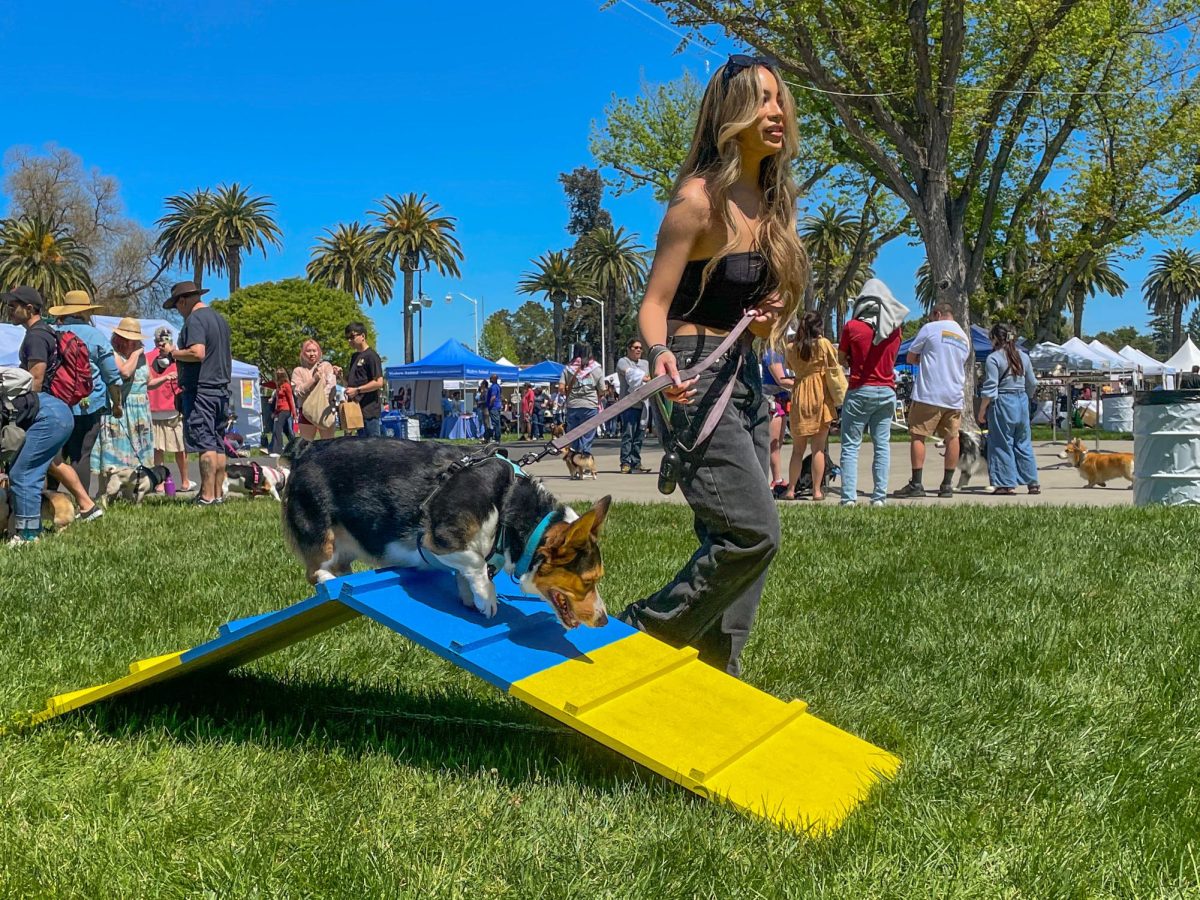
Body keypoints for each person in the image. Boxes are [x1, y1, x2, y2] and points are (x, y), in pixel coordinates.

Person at [617, 54, 803, 677]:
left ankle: (719, 669)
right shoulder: (699, 200)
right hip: (694, 373)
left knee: (737, 541)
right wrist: (660, 357)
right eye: (763, 101)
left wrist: (768, 307)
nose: (777, 113)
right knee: (752, 533)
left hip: (745, 372)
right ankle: (642, 632)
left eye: (780, 100)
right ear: (733, 116)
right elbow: (653, 305)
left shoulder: (771, 200)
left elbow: (756, 315)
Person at [2, 287, 75, 545]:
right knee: (25, 471)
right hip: (51, 410)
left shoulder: (36, 336)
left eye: (14, 306)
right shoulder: (45, 332)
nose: (9, 310)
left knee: (23, 473)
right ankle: (27, 529)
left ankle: (28, 534)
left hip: (47, 412)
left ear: (30, 309)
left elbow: (35, 379)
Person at [45, 289, 123, 521]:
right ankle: (83, 505)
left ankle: (51, 505)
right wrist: (117, 404)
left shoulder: (51, 333)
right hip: (89, 404)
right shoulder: (95, 336)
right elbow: (113, 376)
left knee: (54, 457)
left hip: (55, 404)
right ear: (85, 312)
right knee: (81, 455)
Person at [161, 280, 232, 506]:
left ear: (183, 301)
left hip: (201, 389)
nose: (178, 312)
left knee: (205, 444)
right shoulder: (219, 320)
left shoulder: (195, 319)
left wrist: (173, 353)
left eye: (177, 307)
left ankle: (207, 496)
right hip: (221, 389)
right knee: (218, 442)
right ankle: (218, 493)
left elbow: (197, 352)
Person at [838, 280, 906, 507]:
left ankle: (848, 498)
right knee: (882, 445)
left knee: (850, 446)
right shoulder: (895, 330)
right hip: (886, 390)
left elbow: (841, 358)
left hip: (860, 389)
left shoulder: (852, 327)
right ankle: (879, 498)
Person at [895, 303, 969, 499]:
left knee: (918, 435)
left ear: (937, 314)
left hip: (929, 392)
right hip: (953, 395)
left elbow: (911, 357)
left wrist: (924, 359)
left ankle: (917, 483)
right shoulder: (963, 336)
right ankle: (947, 484)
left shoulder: (930, 328)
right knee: (952, 437)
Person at [979, 324, 1040, 496]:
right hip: (1021, 400)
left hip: (1003, 401)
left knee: (1001, 443)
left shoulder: (994, 358)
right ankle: (1032, 481)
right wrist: (1026, 397)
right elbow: (1032, 383)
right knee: (1023, 442)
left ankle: (1005, 483)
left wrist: (982, 410)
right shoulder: (1023, 357)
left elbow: (990, 387)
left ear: (995, 338)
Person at [781, 312, 837, 501]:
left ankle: (791, 489)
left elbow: (790, 365)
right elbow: (834, 362)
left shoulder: (791, 348)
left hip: (799, 394)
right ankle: (816, 490)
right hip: (819, 394)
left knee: (797, 449)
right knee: (818, 449)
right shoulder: (823, 344)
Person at [90, 317, 154, 477]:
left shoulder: (142, 358)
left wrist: (167, 379)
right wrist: (137, 353)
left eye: (134, 341)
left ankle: (134, 490)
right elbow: (125, 372)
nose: (131, 344)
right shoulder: (113, 354)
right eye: (128, 340)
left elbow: (148, 381)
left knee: (138, 457)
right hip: (120, 407)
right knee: (115, 455)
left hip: (140, 411)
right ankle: (106, 493)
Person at [146, 327, 193, 491]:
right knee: (179, 448)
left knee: (158, 449)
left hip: (153, 409)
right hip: (173, 409)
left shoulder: (146, 358)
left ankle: (158, 483)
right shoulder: (178, 358)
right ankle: (185, 481)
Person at [291, 339, 339, 441]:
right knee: (306, 445)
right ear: (303, 353)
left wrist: (321, 401)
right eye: (308, 351)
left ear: (319, 352)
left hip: (325, 410)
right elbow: (298, 392)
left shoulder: (326, 366)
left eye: (314, 350)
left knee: (328, 444)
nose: (312, 354)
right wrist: (314, 379)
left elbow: (331, 386)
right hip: (306, 413)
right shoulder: (298, 371)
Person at [343, 322, 384, 437]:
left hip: (369, 411)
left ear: (363, 336)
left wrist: (358, 390)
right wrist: (340, 376)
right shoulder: (354, 357)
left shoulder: (371, 356)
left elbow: (378, 382)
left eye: (352, 337)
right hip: (356, 410)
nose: (349, 341)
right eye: (347, 338)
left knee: (373, 447)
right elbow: (351, 385)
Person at [761, 344, 793, 491]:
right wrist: (805, 382)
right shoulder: (772, 355)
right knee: (772, 443)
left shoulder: (781, 355)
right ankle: (772, 480)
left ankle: (777, 478)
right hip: (771, 401)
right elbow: (781, 380)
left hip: (780, 400)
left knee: (778, 443)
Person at [616, 339, 651, 473]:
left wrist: (645, 378)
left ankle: (636, 462)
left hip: (643, 404)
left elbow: (649, 377)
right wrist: (644, 378)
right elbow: (630, 374)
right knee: (628, 435)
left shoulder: (645, 363)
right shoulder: (623, 361)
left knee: (639, 435)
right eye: (635, 347)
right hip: (628, 404)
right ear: (629, 349)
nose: (638, 350)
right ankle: (625, 463)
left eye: (640, 348)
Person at [563, 343, 603, 454]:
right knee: (587, 435)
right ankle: (584, 458)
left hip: (573, 405)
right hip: (590, 405)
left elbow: (561, 388)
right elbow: (602, 389)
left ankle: (575, 462)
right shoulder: (596, 368)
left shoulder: (568, 368)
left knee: (574, 435)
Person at [269, 367, 296, 455]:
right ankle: (294, 445)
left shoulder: (286, 385)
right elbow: (278, 402)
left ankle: (278, 450)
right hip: (279, 410)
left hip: (286, 410)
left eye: (279, 375)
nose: (278, 377)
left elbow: (290, 400)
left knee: (277, 429)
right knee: (286, 431)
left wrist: (294, 414)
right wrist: (275, 412)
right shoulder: (279, 386)